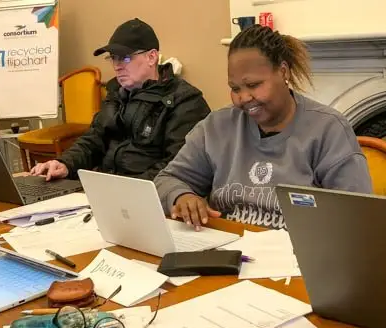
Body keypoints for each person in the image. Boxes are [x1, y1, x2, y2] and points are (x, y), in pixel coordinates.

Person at [155, 25, 372, 231]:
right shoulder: (216, 127)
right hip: (227, 253)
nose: (243, 98)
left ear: (284, 72)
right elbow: (166, 180)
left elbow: (356, 216)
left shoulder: (328, 129)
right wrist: (181, 196)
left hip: (296, 260)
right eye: (235, 88)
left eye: (253, 85)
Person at [30, 18, 211, 181]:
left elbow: (177, 166)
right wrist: (65, 164)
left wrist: (124, 189)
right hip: (105, 190)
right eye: (113, 58)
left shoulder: (185, 101)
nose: (117, 66)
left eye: (125, 58)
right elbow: (94, 140)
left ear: (152, 57)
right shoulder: (116, 93)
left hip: (151, 196)